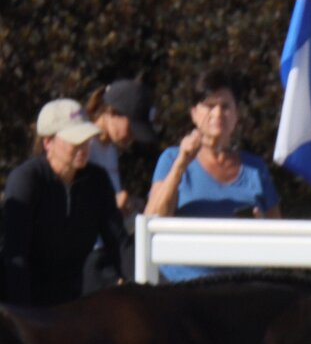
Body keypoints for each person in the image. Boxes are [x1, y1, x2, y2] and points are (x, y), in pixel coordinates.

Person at [142, 69, 279, 279]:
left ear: (236, 114)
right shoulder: (171, 159)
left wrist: (261, 229)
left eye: (226, 106)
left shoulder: (256, 168)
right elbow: (152, 222)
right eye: (210, 106)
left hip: (243, 285)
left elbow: (278, 236)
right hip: (184, 285)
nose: (218, 114)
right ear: (194, 113)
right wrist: (181, 164)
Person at [1, 100, 126, 307]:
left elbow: (117, 242)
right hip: (25, 303)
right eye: (75, 141)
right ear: (48, 143)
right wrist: (25, 315)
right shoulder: (26, 179)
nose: (83, 147)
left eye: (86, 140)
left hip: (72, 303)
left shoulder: (97, 180)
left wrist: (139, 289)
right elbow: (15, 256)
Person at [83, 79, 153, 212]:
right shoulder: (84, 146)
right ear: (111, 112)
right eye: (131, 128)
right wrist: (111, 203)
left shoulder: (111, 149)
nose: (133, 136)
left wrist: (130, 204)